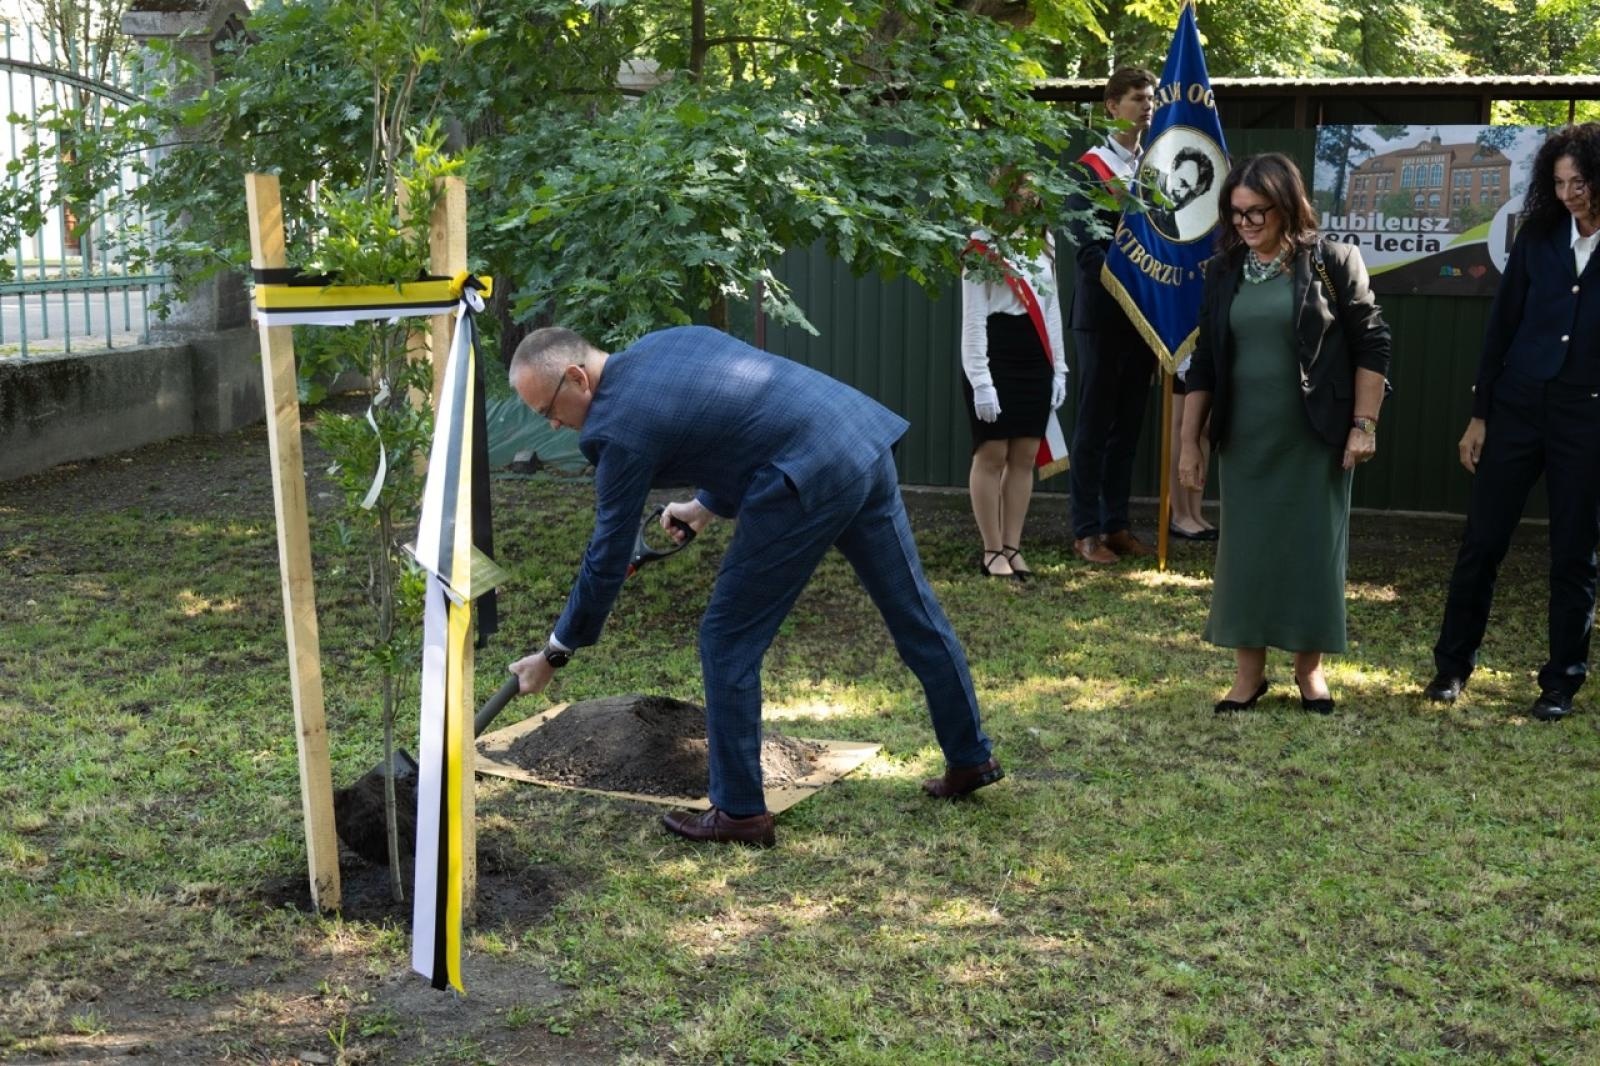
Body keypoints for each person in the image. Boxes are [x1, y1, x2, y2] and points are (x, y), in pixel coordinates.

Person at [506, 325, 1003, 848]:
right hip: (857, 439)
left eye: (548, 411)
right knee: (913, 612)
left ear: (577, 377)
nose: (555, 424)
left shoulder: (614, 428)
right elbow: (741, 419)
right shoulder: (669, 342)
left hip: (803, 475)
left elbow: (606, 555)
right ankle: (971, 756)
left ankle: (740, 811)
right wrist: (704, 505)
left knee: (727, 639)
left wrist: (557, 651)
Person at [1178, 153, 1391, 715]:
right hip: (1245, 439)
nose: (1245, 224)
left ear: (1288, 205)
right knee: (1246, 553)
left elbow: (1373, 345)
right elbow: (1204, 363)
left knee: (1312, 552)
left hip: (1315, 438)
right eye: (1236, 214)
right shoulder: (1222, 270)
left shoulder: (1333, 261)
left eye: (1257, 213)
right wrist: (1188, 442)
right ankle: (1248, 676)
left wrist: (1363, 426)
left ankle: (1310, 672)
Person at [1422, 123, 1600, 721]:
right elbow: (1501, 327)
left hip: (1587, 417)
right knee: (1482, 542)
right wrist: (1481, 414)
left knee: (1575, 555)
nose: (1571, 193)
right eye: (1560, 182)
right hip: (1518, 409)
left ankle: (1560, 685)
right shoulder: (1538, 236)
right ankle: (1451, 667)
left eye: (1581, 181)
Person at [1064, 66, 1160, 565]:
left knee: (1129, 424)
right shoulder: (1090, 168)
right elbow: (1086, 247)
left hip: (1145, 317)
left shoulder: (1156, 165)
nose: (1148, 105)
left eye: (1152, 98)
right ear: (1112, 106)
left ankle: (1117, 524)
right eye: (1138, 98)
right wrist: (1131, 281)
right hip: (1103, 315)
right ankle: (1085, 530)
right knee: (1095, 423)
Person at [960, 172, 1067, 580]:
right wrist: (980, 380)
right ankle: (991, 550)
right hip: (995, 351)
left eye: (1035, 188)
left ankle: (1012, 545)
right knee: (992, 453)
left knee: (1024, 455)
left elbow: (1052, 308)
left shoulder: (1045, 241)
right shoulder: (981, 245)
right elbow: (973, 319)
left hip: (1035, 354)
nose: (1031, 195)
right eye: (1023, 187)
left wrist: (1059, 368)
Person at [1166, 354, 1215, 540]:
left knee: (1203, 423)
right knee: (1180, 423)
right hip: (1179, 339)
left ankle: (1195, 511)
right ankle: (1180, 514)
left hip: (1202, 337)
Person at [1148, 146, 1217, 242]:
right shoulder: (1143, 181)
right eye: (1183, 182)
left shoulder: (1172, 234)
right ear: (1173, 167)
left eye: (1192, 194)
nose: (1184, 195)